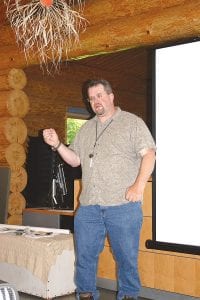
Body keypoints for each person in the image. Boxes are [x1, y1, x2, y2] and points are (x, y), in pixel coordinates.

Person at [43, 79, 156, 300]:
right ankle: (86, 295)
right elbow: (75, 160)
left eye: (100, 96)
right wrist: (57, 145)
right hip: (89, 208)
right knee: (84, 258)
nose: (96, 101)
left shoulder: (132, 123)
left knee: (126, 259)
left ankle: (129, 296)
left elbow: (149, 154)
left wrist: (139, 185)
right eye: (91, 98)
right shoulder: (86, 129)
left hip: (122, 207)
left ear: (111, 96)